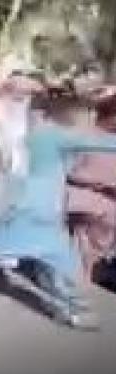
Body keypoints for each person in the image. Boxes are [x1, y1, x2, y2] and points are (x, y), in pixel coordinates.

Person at [0, 89, 116, 330]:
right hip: (29, 212)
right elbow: (102, 143)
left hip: (43, 213)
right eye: (88, 119)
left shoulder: (47, 135)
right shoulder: (54, 136)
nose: (91, 125)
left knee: (63, 265)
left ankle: (73, 310)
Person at [66, 92, 116, 282]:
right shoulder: (83, 137)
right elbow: (64, 172)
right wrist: (96, 185)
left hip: (109, 206)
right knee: (86, 254)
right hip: (88, 203)